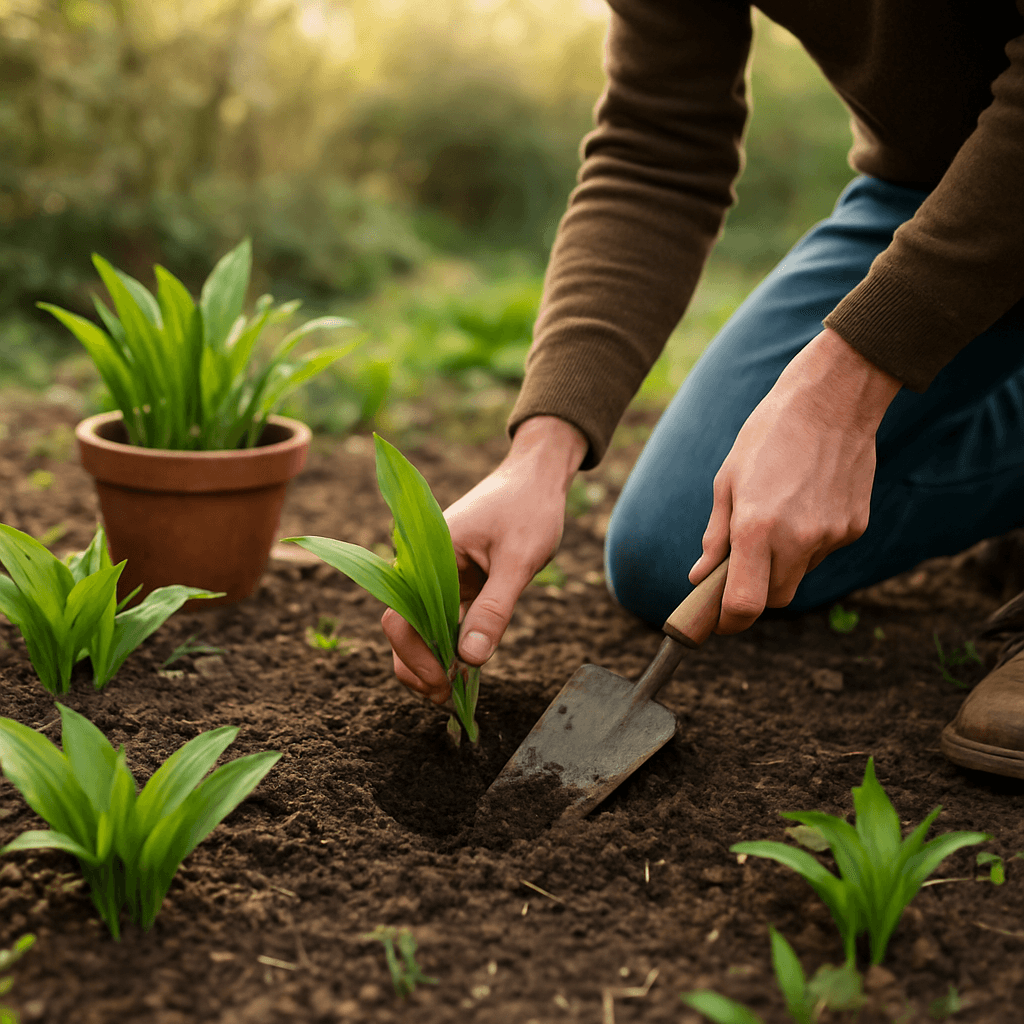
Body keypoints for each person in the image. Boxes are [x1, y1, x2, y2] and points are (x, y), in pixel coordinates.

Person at [383, 0, 1024, 779]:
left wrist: (843, 386)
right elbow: (657, 146)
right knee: (677, 552)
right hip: (929, 190)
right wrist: (540, 453)